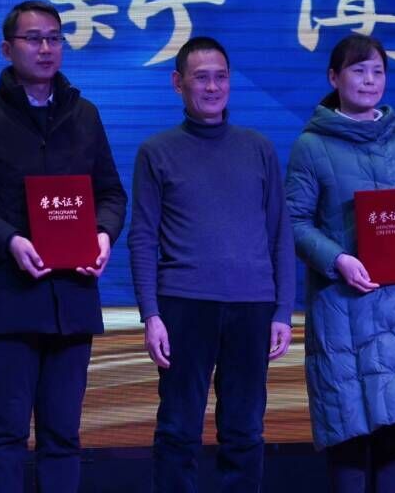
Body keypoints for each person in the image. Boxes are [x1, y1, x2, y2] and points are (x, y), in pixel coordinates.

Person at [0, 0, 127, 493]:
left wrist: (103, 235)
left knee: (63, 435)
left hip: (73, 299)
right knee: (5, 433)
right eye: (33, 38)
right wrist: (10, 241)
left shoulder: (84, 115)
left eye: (54, 38)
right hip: (10, 299)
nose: (46, 48)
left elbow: (111, 193)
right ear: (7, 49)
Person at [283, 33, 395, 493]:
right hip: (345, 310)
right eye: (358, 70)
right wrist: (338, 259)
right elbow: (293, 222)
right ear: (334, 77)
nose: (370, 80)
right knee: (351, 430)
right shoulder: (311, 146)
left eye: (378, 71)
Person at [127, 36, 295, 492]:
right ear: (177, 82)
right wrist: (151, 315)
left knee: (245, 432)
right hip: (184, 304)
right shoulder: (156, 151)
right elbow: (142, 237)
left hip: (252, 306)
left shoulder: (258, 148)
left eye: (221, 77)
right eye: (201, 78)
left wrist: (282, 312)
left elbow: (280, 234)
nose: (213, 87)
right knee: (178, 430)